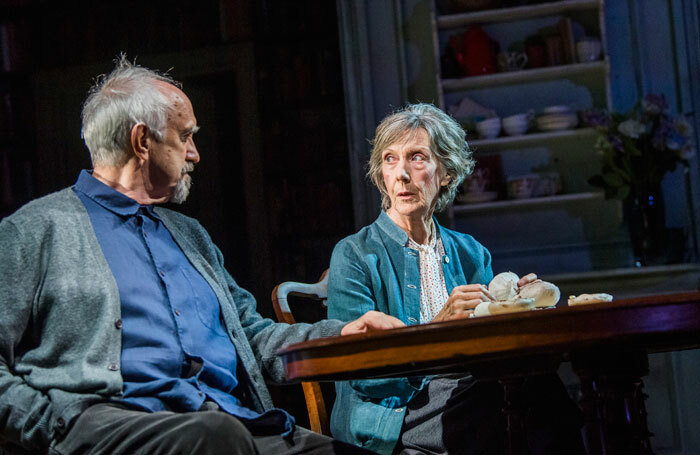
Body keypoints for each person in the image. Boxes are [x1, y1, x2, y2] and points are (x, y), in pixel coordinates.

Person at [0, 56, 405, 455]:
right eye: (185, 137)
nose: (194, 154)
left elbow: (253, 337)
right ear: (142, 141)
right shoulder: (37, 230)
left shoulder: (190, 235)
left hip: (233, 422)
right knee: (213, 436)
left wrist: (340, 336)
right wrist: (52, 426)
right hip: (113, 424)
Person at [326, 103, 584, 454]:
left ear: (446, 171)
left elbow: (493, 350)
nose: (401, 173)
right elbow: (363, 373)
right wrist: (435, 331)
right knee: (500, 400)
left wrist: (515, 310)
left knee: (540, 386)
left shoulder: (470, 251)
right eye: (389, 159)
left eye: (416, 157)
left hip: (466, 399)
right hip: (392, 416)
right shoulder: (354, 254)